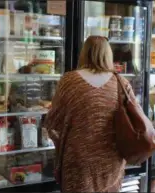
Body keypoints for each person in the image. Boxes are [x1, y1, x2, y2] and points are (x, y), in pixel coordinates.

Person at [44, 36, 138, 192]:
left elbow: (53, 122)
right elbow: (134, 121)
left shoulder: (69, 81)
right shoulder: (122, 83)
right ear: (108, 55)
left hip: (77, 161)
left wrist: (64, 142)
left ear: (84, 53)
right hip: (111, 163)